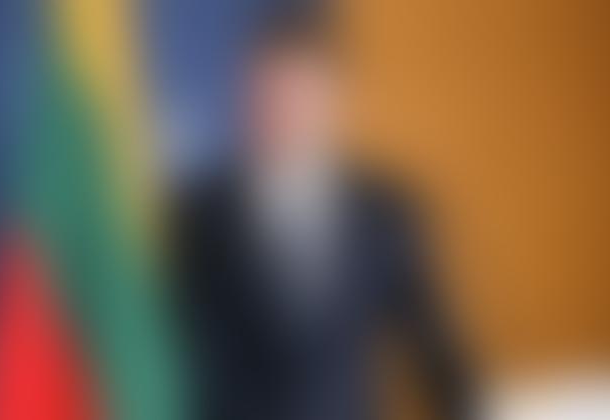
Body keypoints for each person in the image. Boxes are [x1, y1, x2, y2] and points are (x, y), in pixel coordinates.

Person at [175, 5, 473, 420]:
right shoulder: (199, 219)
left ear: (331, 97)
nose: (282, 110)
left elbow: (438, 353)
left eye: (298, 92)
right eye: (268, 93)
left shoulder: (384, 214)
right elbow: (176, 360)